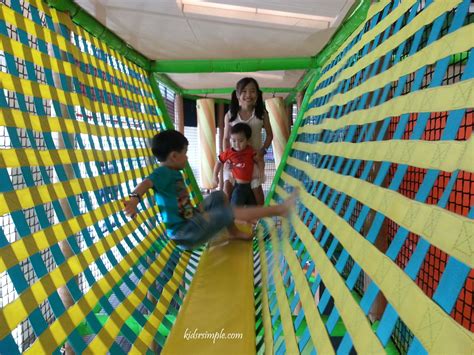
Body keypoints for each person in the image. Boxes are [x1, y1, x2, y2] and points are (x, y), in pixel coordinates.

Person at [123, 130, 297, 250]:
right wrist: (133, 199)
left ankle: (233, 231)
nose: (187, 156)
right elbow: (146, 183)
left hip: (192, 219)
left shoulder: (173, 171)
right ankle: (279, 210)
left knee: (218, 196)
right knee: (226, 211)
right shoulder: (162, 172)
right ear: (174, 156)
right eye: (185, 152)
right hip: (184, 233)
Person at [223, 77, 273, 205]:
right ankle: (225, 219)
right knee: (227, 189)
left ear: (257, 94)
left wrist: (262, 152)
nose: (248, 95)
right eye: (244, 91)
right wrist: (227, 157)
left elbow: (269, 135)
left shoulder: (261, 114)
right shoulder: (230, 115)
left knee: (257, 192)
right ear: (237, 94)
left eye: (252, 91)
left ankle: (260, 220)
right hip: (234, 159)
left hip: (254, 159)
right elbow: (226, 138)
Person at [212, 123, 263, 206]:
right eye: (233, 140)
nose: (236, 144)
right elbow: (219, 162)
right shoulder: (228, 152)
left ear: (248, 140)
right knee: (234, 208)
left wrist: (261, 171)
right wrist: (214, 176)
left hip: (250, 186)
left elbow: (259, 160)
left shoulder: (250, 151)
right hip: (238, 187)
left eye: (241, 141)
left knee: (254, 208)